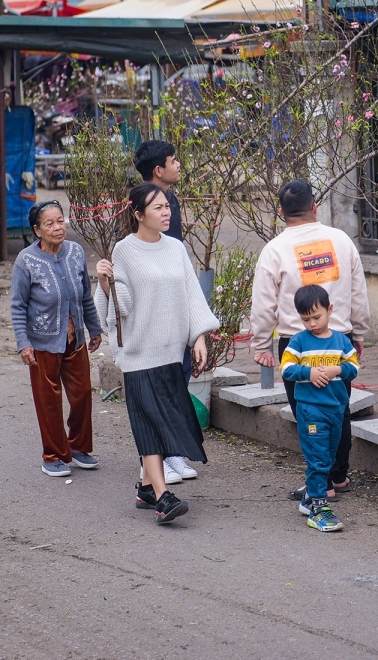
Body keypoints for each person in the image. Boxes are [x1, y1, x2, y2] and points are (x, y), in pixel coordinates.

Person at [95, 183, 219, 524]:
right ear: (138, 215)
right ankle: (163, 498)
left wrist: (199, 337)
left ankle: (146, 488)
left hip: (170, 351)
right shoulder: (124, 251)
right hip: (139, 354)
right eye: (158, 208)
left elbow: (191, 294)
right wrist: (106, 284)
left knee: (169, 420)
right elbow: (125, 308)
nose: (166, 212)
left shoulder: (176, 248)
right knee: (149, 422)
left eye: (168, 206)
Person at [251, 180, 370, 501]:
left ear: (281, 213)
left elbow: (263, 304)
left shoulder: (274, 250)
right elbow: (359, 293)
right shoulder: (341, 241)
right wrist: (357, 334)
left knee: (309, 414)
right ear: (315, 207)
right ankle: (338, 475)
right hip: (339, 338)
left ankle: (323, 483)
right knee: (338, 409)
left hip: (297, 344)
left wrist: (260, 345)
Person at [10, 200, 104, 477]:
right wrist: (23, 343)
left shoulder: (75, 252)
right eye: (49, 223)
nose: (57, 227)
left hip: (74, 340)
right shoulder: (26, 260)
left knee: (82, 393)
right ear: (37, 230)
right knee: (48, 400)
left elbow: (85, 294)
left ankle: (78, 448)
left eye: (60, 221)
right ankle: (52, 455)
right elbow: (17, 305)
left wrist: (94, 328)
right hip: (42, 343)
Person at [134, 139, 195, 485]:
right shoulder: (144, 205)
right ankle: (151, 463)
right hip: (153, 307)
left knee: (177, 375)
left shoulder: (169, 200)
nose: (178, 165)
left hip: (174, 303)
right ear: (159, 170)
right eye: (174, 161)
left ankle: (171, 452)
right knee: (154, 382)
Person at [280, 285, 360, 532]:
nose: (312, 324)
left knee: (329, 455)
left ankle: (308, 498)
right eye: (306, 319)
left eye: (317, 317)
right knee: (318, 458)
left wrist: (337, 369)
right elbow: (286, 369)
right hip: (311, 409)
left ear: (330, 310)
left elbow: (353, 367)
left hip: (335, 409)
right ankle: (319, 507)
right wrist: (309, 372)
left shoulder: (341, 341)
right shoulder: (299, 341)